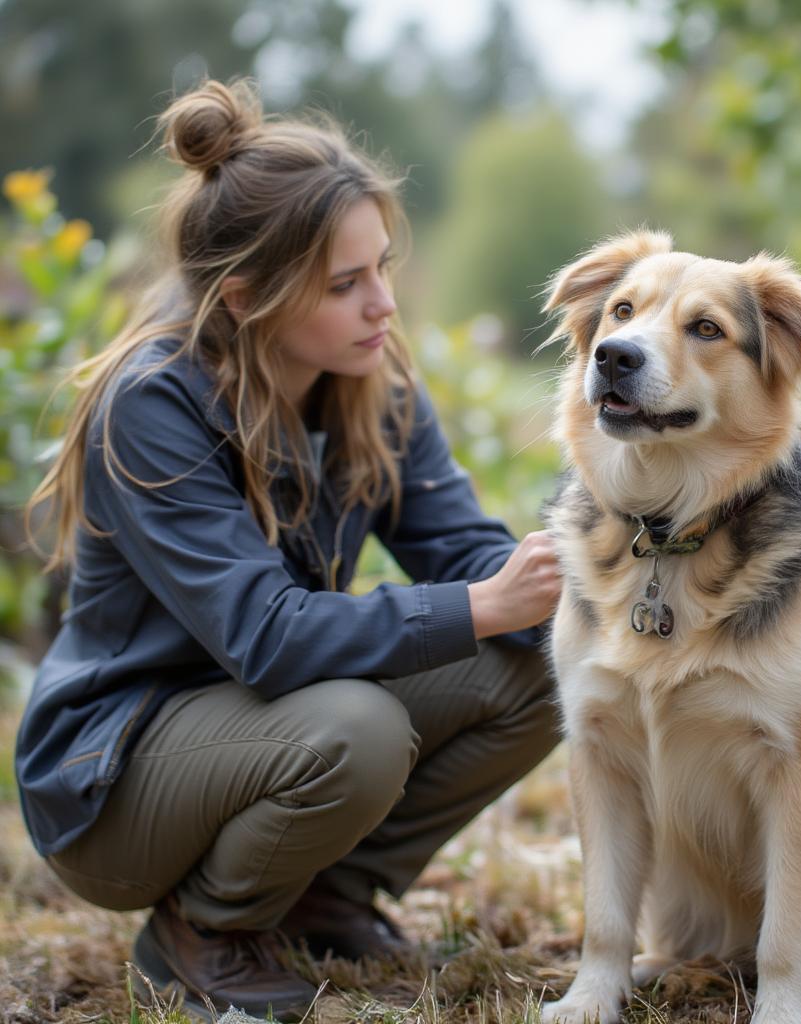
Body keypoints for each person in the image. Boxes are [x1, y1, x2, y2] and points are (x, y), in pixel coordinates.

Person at [15, 78, 563, 1021]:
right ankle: (202, 931)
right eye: (346, 285)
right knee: (358, 727)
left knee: (553, 663)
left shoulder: (372, 383)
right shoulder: (154, 402)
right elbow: (266, 637)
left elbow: (462, 547)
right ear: (246, 295)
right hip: (117, 776)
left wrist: (576, 575)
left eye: (383, 269)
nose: (383, 305)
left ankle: (321, 897)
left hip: (263, 723)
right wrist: (481, 607)